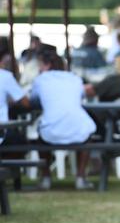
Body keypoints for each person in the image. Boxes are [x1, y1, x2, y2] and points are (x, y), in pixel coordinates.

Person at [31, 49, 97, 190]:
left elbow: (33, 100)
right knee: (87, 137)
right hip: (79, 128)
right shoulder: (74, 78)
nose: (38, 68)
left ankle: (46, 177)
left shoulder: (41, 80)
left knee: (39, 137)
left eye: (40, 65)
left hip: (51, 131)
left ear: (47, 65)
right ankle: (80, 177)